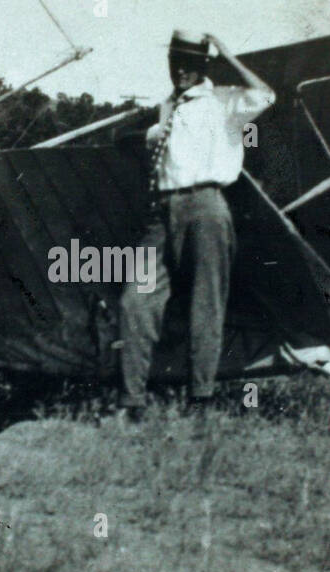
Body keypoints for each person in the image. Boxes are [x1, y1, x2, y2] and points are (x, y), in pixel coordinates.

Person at [118, 30, 275, 420]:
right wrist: (143, 136)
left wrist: (227, 52)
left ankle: (200, 400)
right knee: (136, 301)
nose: (181, 70)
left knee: (206, 302)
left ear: (205, 66)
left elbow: (267, 95)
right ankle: (132, 403)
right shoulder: (165, 107)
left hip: (206, 206)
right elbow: (142, 142)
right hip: (161, 211)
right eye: (176, 62)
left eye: (191, 63)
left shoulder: (224, 100)